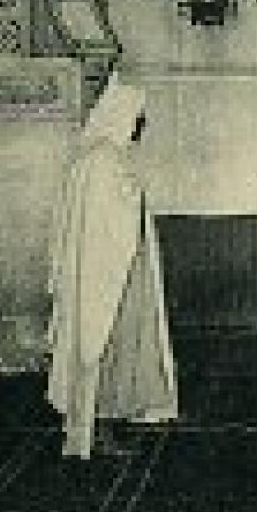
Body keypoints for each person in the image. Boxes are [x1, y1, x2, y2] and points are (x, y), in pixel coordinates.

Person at [45, 75, 178, 459]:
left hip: (110, 271)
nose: (141, 125)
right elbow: (116, 217)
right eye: (138, 117)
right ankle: (97, 430)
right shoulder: (102, 162)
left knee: (110, 346)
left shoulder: (96, 159)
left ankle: (104, 424)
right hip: (104, 275)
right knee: (100, 345)